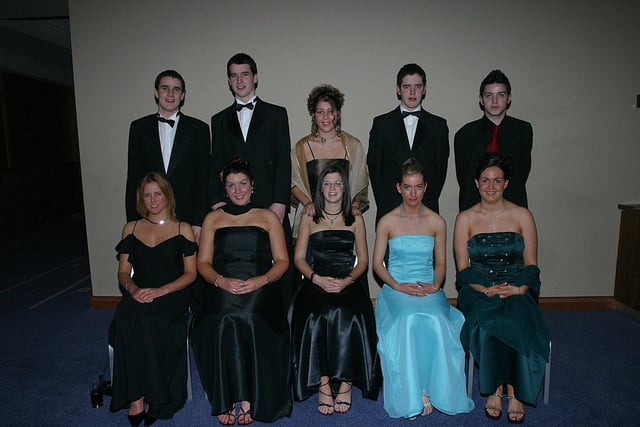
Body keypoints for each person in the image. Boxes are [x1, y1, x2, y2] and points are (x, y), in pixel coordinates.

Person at [191, 160, 292, 425]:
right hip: (222, 283)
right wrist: (221, 282)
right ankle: (228, 396)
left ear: (252, 185)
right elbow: (202, 264)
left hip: (261, 284)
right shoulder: (213, 218)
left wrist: (261, 280)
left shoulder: (268, 217)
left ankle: (249, 396)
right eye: (231, 185)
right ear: (224, 189)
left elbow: (282, 261)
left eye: (243, 184)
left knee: (249, 316)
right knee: (224, 317)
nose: (238, 191)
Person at [372, 159, 474, 419]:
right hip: (396, 288)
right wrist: (397, 285)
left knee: (437, 319)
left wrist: (435, 286)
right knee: (407, 319)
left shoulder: (437, 221)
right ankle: (413, 388)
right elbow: (377, 265)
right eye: (407, 187)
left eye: (418, 187)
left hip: (428, 286)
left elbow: (440, 263)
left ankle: (432, 387)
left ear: (426, 187)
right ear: (398, 188)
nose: (413, 193)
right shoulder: (387, 221)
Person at [454, 153, 550, 423]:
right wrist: (486, 289)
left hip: (517, 285)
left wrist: (519, 288)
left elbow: (532, 264)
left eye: (497, 180)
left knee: (517, 317)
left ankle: (516, 390)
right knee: (491, 320)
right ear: (476, 183)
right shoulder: (465, 218)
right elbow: (463, 270)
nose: (491, 186)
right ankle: (497, 387)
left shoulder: (523, 215)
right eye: (485, 180)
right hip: (478, 289)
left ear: (506, 183)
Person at [291, 162, 381, 416]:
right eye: (327, 183)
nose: (332, 188)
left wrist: (347, 281)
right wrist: (316, 278)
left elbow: (363, 260)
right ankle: (322, 382)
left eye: (337, 183)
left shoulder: (356, 217)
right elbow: (299, 258)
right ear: (320, 188)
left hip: (347, 280)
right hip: (316, 279)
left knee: (351, 314)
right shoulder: (309, 216)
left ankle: (347, 382)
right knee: (314, 316)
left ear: (345, 187)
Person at [109, 172, 197, 426]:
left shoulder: (183, 228)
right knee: (125, 321)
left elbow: (190, 274)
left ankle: (158, 397)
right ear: (141, 199)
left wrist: (162, 291)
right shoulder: (132, 227)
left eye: (157, 193)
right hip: (140, 290)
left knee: (150, 323)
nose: (153, 199)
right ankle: (136, 397)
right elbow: (123, 272)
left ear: (167, 195)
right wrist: (134, 289)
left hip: (173, 293)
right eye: (147, 195)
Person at [208, 53, 295, 305]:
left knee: (280, 265)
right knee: (238, 264)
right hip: (233, 206)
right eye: (234, 75)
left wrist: (280, 202)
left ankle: (279, 317)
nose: (240, 80)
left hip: (270, 202)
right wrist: (217, 204)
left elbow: (282, 160)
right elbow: (215, 166)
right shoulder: (219, 119)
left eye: (245, 74)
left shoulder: (277, 114)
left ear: (255, 77)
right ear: (229, 81)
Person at [125, 69, 210, 242]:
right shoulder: (138, 128)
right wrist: (133, 222)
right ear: (156, 92)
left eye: (176, 89)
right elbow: (133, 178)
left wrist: (199, 222)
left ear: (183, 95)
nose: (170, 94)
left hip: (187, 217)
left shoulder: (199, 129)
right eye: (165, 88)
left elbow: (203, 179)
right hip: (149, 215)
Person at [367, 63, 449, 223]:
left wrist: (427, 200)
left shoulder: (438, 126)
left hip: (427, 211)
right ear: (398, 89)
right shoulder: (381, 124)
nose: (412, 92)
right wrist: (386, 203)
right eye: (407, 86)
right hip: (390, 211)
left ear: (424, 89)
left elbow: (440, 172)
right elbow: (375, 169)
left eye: (417, 86)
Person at [291, 84, 369, 239]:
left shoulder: (354, 146)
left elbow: (361, 184)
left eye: (330, 111)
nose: (325, 117)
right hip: (311, 220)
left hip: (344, 222)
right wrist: (307, 203)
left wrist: (353, 207)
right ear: (313, 115)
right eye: (320, 112)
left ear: (338, 114)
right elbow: (292, 182)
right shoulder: (302, 147)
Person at [454, 69, 533, 211]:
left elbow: (522, 173)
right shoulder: (464, 135)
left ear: (509, 98)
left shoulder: (523, 131)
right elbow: (464, 179)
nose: (494, 101)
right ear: (481, 99)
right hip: (474, 211)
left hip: (514, 209)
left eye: (500, 95)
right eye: (489, 95)